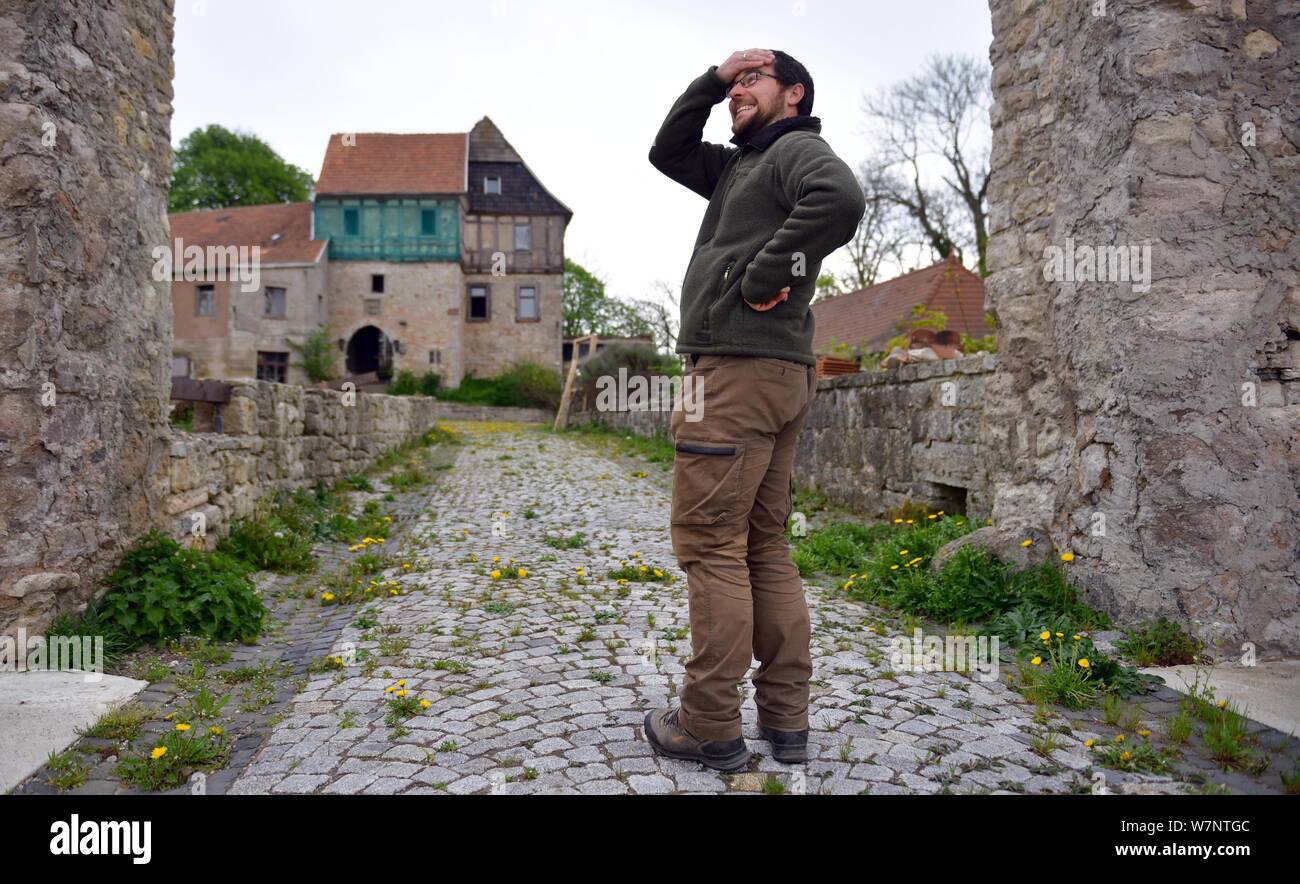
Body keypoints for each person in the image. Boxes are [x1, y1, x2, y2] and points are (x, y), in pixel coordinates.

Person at [643, 48, 866, 770]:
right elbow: (667, 150)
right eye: (733, 82)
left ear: (793, 94)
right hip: (777, 375)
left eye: (752, 81)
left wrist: (765, 273)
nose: (738, 90)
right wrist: (710, 82)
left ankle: (707, 724)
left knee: (713, 547)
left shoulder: (795, 149)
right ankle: (786, 723)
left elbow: (841, 199)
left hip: (737, 374)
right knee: (762, 545)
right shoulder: (741, 167)